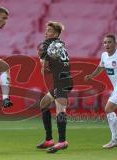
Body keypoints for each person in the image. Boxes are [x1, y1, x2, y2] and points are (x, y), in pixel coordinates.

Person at [36, 21, 73, 153]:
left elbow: (44, 65)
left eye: (49, 30)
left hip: (61, 81)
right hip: (63, 80)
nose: (46, 32)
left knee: (60, 111)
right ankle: (49, 140)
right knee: (44, 103)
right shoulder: (60, 43)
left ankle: (62, 141)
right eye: (46, 30)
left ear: (56, 33)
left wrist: (43, 62)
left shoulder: (48, 44)